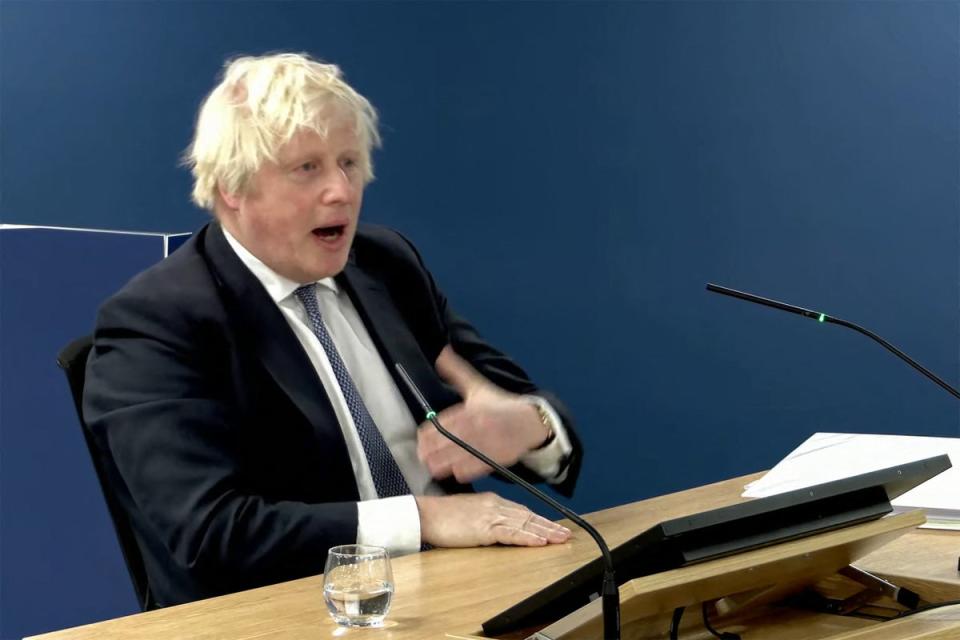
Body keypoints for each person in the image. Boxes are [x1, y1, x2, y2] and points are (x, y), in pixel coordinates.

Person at [83, 52, 583, 607]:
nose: (342, 191)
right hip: (288, 612)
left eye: (349, 162)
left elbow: (510, 403)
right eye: (307, 169)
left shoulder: (386, 264)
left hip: (458, 591)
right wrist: (422, 518)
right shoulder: (158, 321)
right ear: (232, 187)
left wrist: (530, 427)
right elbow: (210, 531)